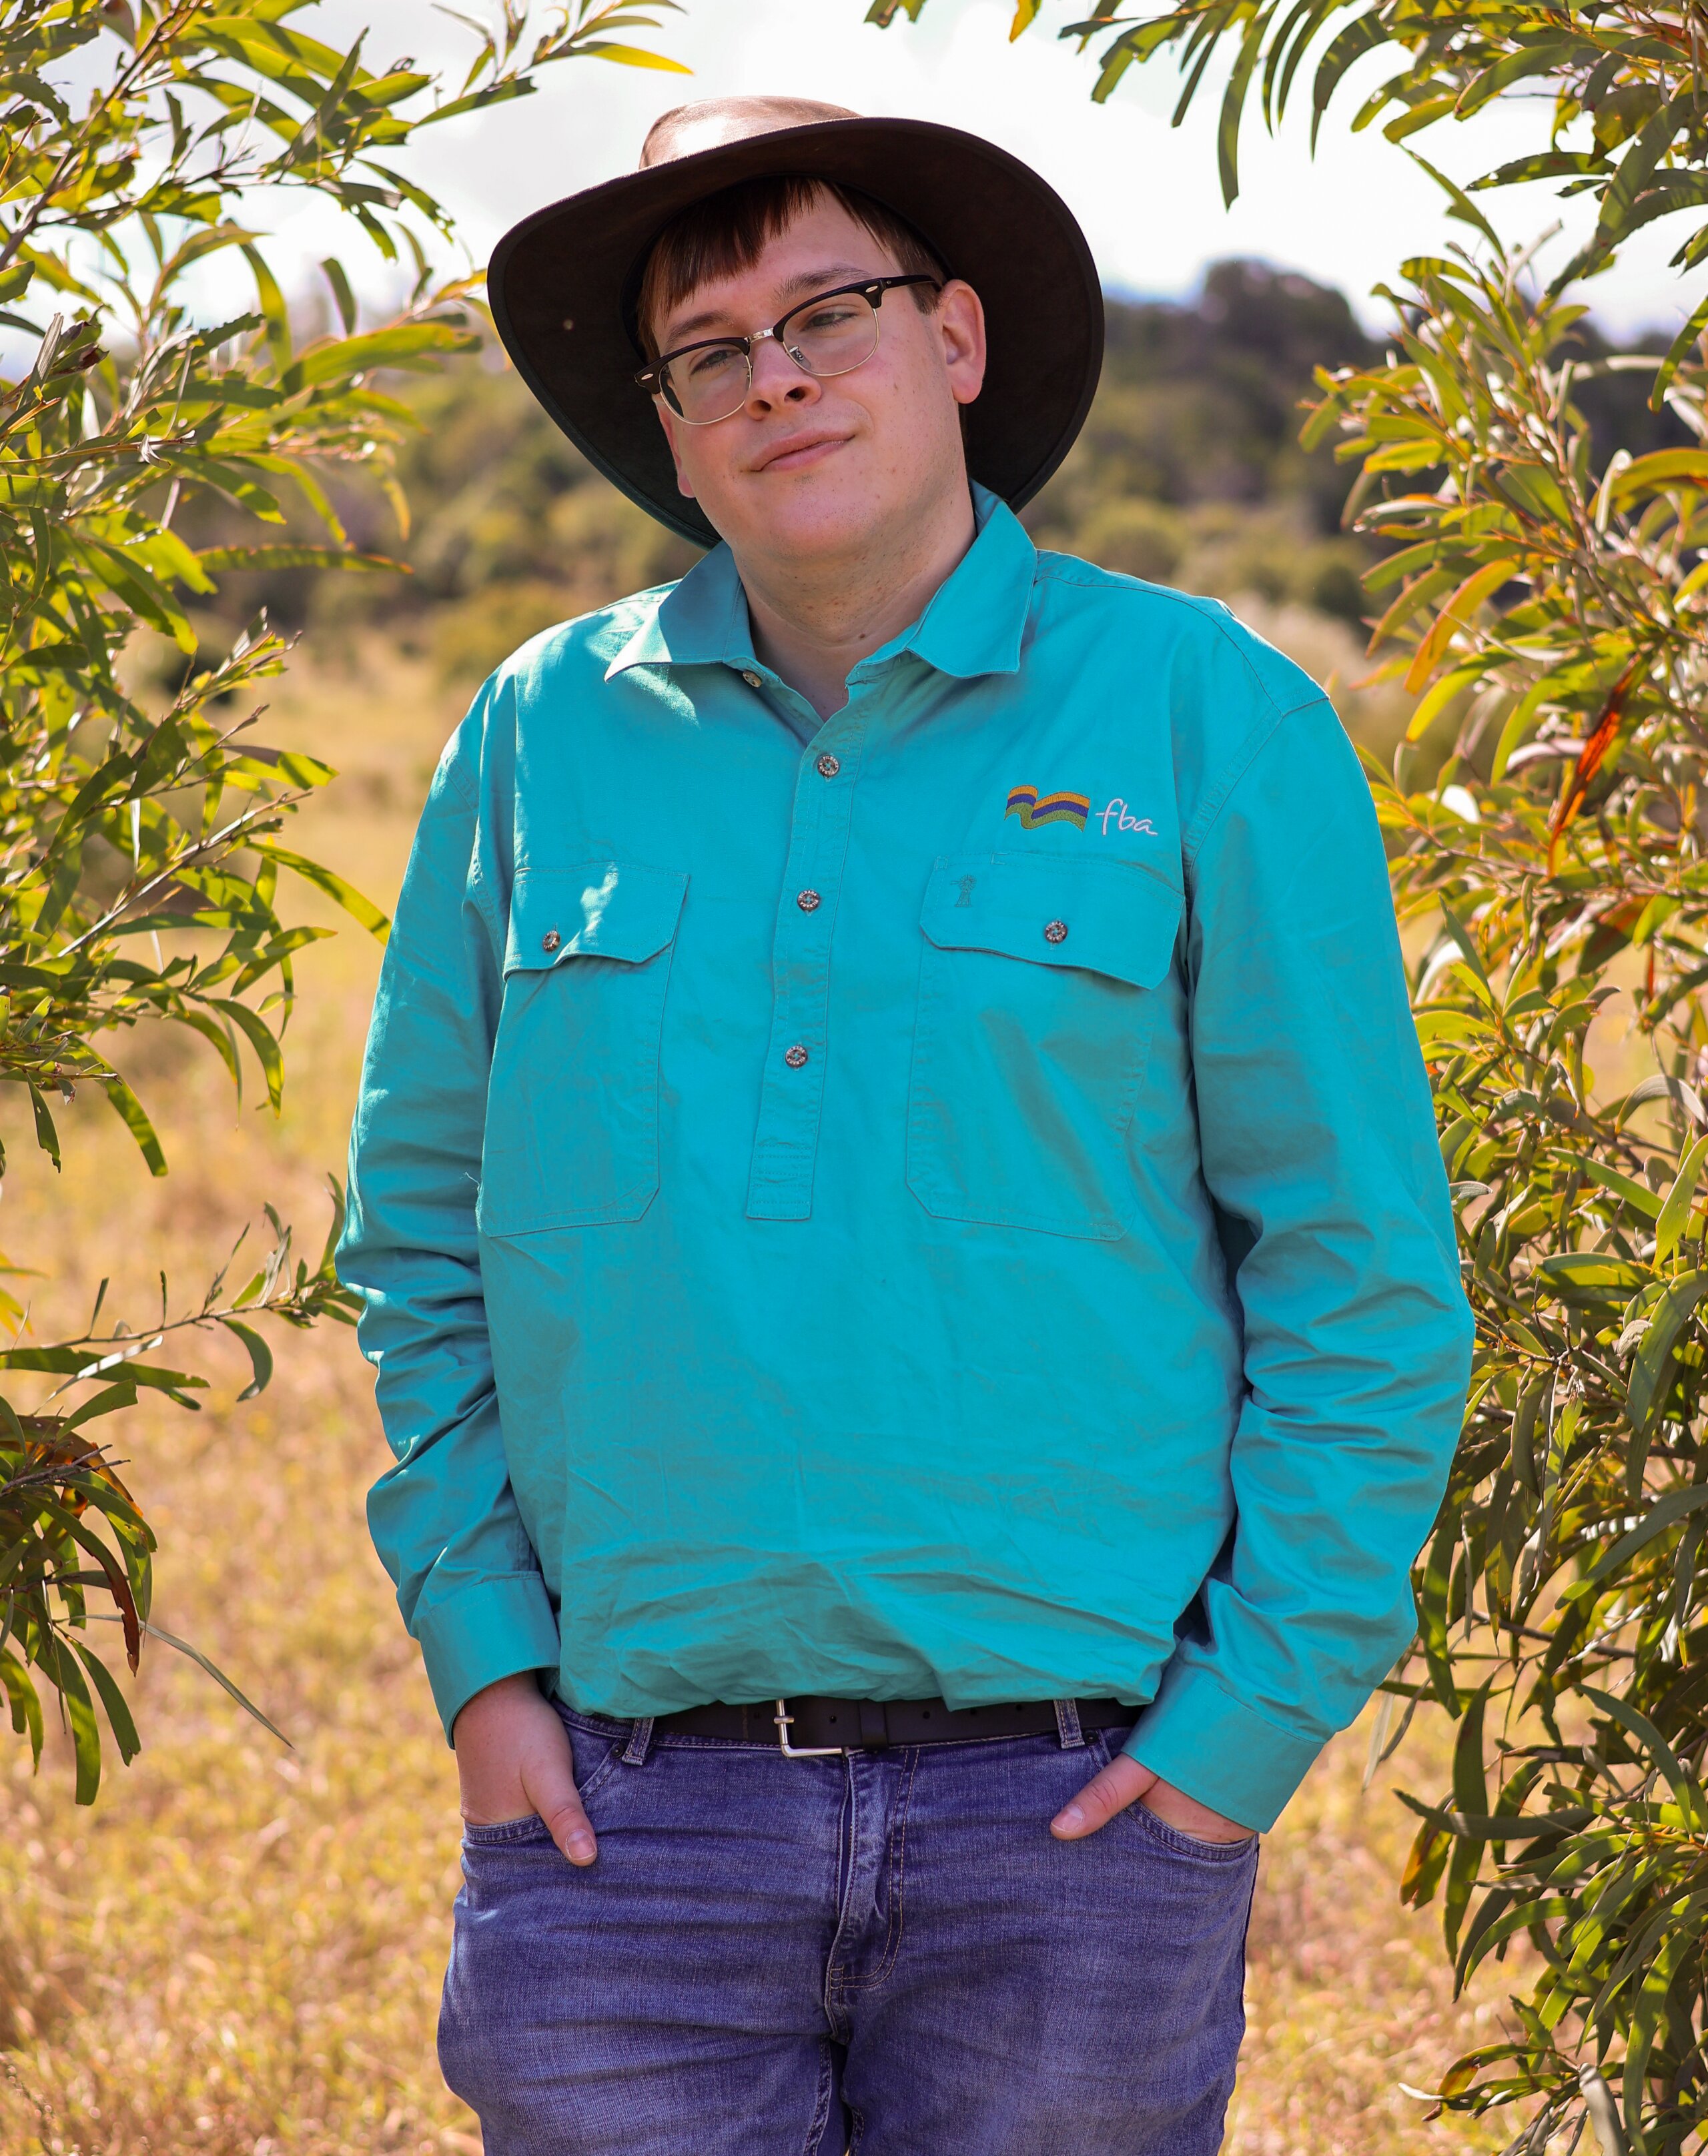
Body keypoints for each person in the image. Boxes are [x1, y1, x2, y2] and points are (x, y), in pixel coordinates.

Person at [338, 95, 1472, 2156]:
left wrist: (1244, 1728)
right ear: (669, 428)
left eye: (827, 311)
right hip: (625, 1818)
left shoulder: (1209, 716)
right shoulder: (533, 735)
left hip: (1077, 1814)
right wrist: (487, 1665)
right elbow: (415, 1244)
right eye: (710, 348)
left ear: (953, 340)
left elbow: (1363, 1272)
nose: (774, 376)